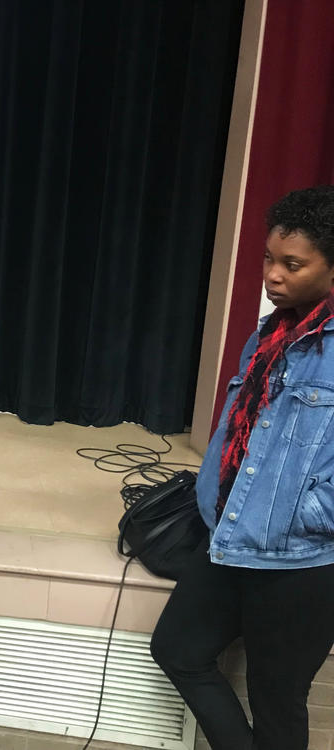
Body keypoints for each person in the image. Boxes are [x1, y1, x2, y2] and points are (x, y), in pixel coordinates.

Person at [150, 186, 334, 750]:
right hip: (229, 536)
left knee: (277, 698)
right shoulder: (271, 333)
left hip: (301, 562)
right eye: (268, 259)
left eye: (292, 264)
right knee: (178, 649)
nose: (272, 276)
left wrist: (298, 515)